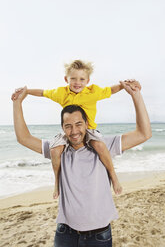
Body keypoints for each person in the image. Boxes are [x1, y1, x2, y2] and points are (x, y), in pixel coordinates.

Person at [12, 80, 151, 247]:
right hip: (65, 232)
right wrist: (17, 103)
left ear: (87, 124)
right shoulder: (59, 150)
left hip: (98, 235)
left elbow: (144, 133)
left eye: (78, 124)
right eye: (68, 126)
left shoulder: (103, 146)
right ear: (63, 128)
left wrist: (136, 95)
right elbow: (23, 138)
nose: (74, 131)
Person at [12, 60, 141, 199]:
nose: (77, 82)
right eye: (73, 78)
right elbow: (43, 93)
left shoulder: (93, 92)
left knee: (99, 145)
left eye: (81, 79)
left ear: (88, 81)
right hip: (70, 132)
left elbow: (111, 90)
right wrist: (26, 92)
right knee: (55, 150)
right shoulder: (61, 93)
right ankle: (57, 182)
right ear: (66, 79)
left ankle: (114, 177)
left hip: (90, 130)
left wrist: (125, 85)